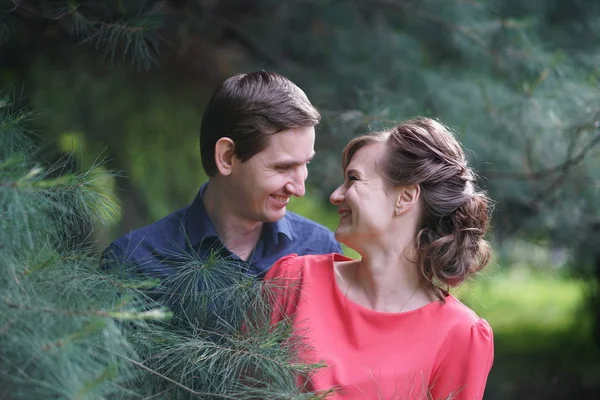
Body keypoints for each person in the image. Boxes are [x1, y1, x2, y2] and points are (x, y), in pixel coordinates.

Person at [266, 117, 494, 400]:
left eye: (353, 179)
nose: (336, 195)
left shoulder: (460, 333)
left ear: (406, 197)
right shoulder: (293, 281)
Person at [101, 71, 341, 281]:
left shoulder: (321, 250)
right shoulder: (133, 263)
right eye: (282, 167)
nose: (300, 189)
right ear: (227, 157)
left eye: (306, 163)